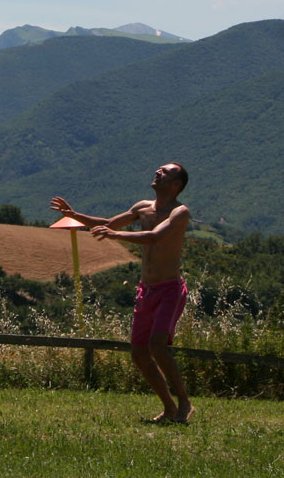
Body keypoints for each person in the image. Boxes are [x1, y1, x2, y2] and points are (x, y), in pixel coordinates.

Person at [51, 163, 193, 424]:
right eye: (158, 169)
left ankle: (184, 404)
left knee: (157, 346)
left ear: (176, 185)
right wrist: (74, 214)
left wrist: (115, 234)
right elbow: (107, 223)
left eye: (165, 172)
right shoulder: (142, 207)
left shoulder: (179, 212)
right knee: (139, 353)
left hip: (170, 289)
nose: (157, 172)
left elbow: (153, 237)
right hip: (146, 290)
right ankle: (169, 408)